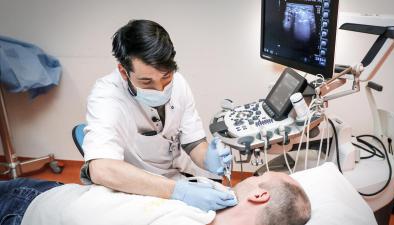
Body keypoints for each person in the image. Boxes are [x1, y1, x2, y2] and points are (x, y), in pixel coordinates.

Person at [80, 19, 235, 212]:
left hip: (180, 178)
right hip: (138, 190)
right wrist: (178, 192)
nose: (160, 89)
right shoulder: (107, 96)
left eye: (166, 77)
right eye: (146, 82)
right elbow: (101, 169)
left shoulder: (179, 83)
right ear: (123, 71)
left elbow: (193, 142)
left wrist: (208, 158)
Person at [0, 171, 311, 225]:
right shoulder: (209, 203)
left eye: (256, 178)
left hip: (26, 207)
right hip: (60, 193)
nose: (250, 179)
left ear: (258, 195)